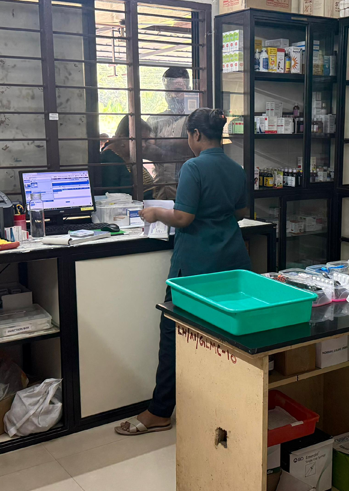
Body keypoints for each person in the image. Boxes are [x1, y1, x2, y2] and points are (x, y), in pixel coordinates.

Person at [115, 108, 251, 436]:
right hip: (232, 262)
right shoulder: (236, 168)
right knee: (222, 337)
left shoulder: (194, 166)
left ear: (195, 135)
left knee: (172, 335)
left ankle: (160, 412)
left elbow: (183, 218)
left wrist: (156, 212)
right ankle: (221, 407)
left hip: (194, 267)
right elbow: (241, 212)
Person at [144, 67, 196, 200]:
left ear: (188, 89)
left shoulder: (195, 119)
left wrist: (160, 144)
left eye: (178, 90)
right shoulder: (155, 119)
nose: (172, 95)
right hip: (160, 189)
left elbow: (193, 146)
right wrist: (173, 149)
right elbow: (145, 147)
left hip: (187, 188)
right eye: (168, 91)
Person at [90, 116, 155, 199]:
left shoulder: (129, 156)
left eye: (145, 141)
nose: (143, 145)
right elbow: (113, 196)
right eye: (139, 140)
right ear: (123, 137)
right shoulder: (110, 160)